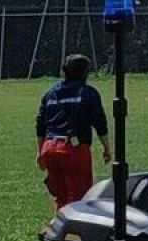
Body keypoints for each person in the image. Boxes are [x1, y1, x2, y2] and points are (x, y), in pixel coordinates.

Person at [35, 54, 111, 209]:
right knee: (79, 200)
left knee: (60, 198)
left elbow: (40, 125)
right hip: (73, 149)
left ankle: (57, 231)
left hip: (49, 148)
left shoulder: (50, 94)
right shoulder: (88, 93)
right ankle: (73, 232)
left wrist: (40, 153)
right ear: (85, 73)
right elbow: (99, 122)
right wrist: (107, 148)